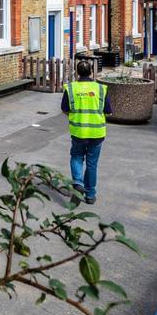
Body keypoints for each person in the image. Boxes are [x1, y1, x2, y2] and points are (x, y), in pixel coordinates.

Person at [61, 57, 111, 204]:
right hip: (97, 133)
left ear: (77, 73)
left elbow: (65, 109)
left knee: (76, 157)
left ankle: (78, 184)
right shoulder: (101, 88)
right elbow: (108, 111)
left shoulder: (71, 88)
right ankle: (90, 195)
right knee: (92, 164)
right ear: (91, 72)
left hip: (78, 132)